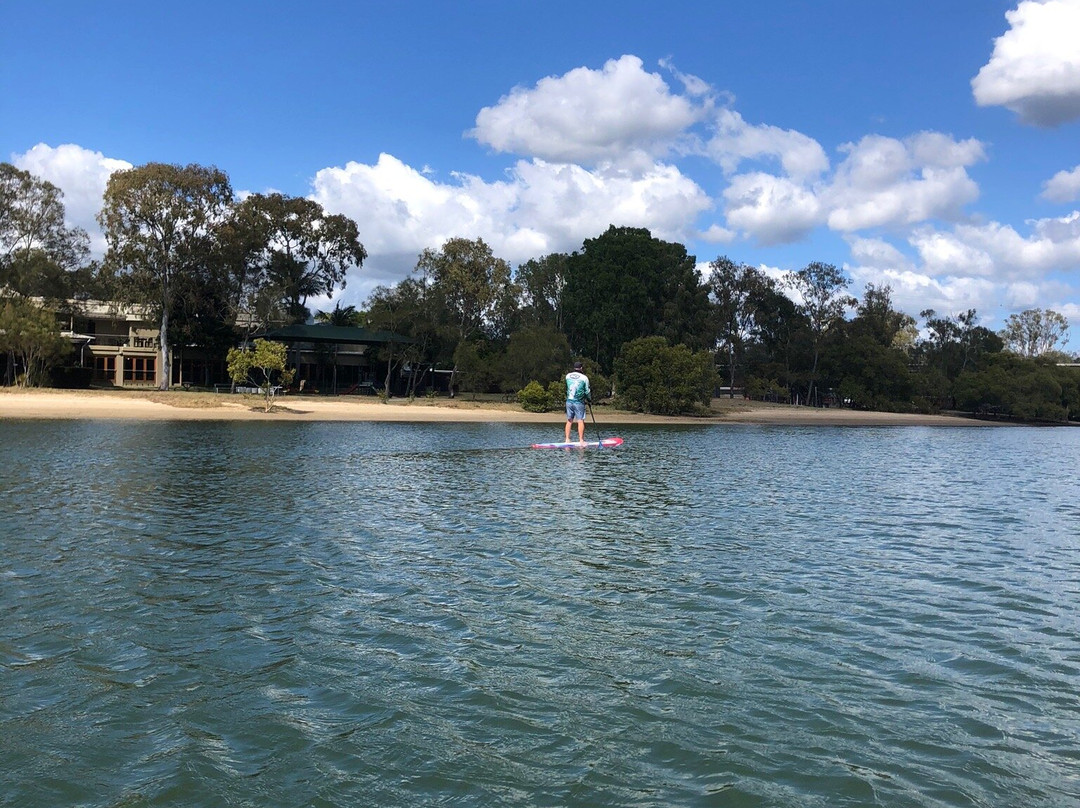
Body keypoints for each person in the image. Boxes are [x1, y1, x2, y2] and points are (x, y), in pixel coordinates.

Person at [564, 361, 591, 442]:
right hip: (579, 402)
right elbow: (587, 391)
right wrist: (589, 400)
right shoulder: (584, 378)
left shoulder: (568, 376)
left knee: (569, 420)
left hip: (569, 401)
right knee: (580, 420)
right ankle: (581, 440)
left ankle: (567, 439)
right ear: (581, 368)